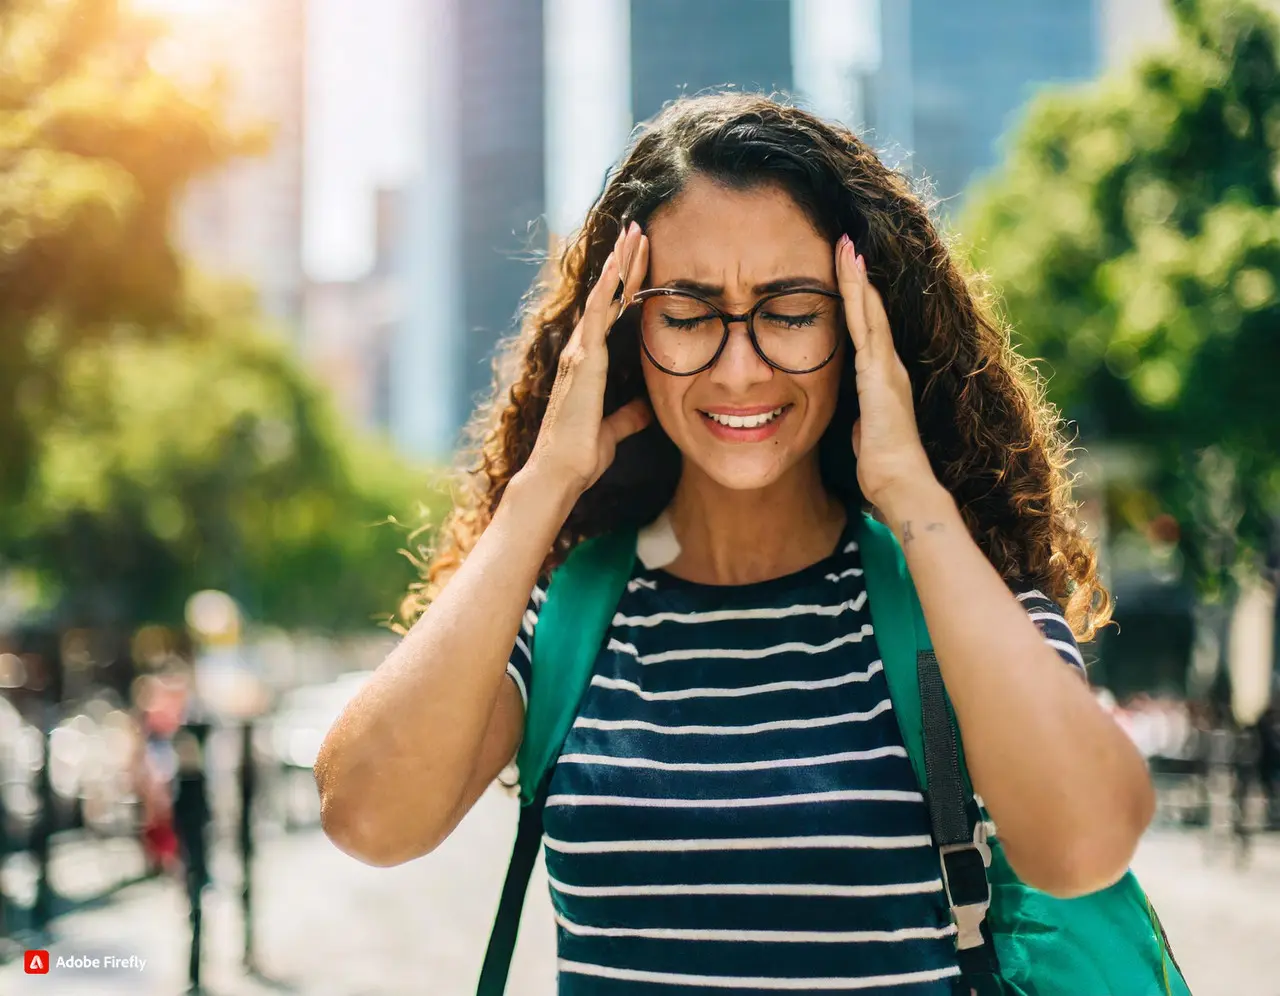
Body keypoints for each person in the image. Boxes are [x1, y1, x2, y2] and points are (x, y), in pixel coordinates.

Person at [316, 92, 1156, 993]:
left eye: (791, 310)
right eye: (687, 314)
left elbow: (1085, 847)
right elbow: (367, 816)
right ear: (625, 332)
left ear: (859, 324)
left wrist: (912, 490)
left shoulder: (954, 603)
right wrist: (542, 488)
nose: (740, 366)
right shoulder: (565, 615)